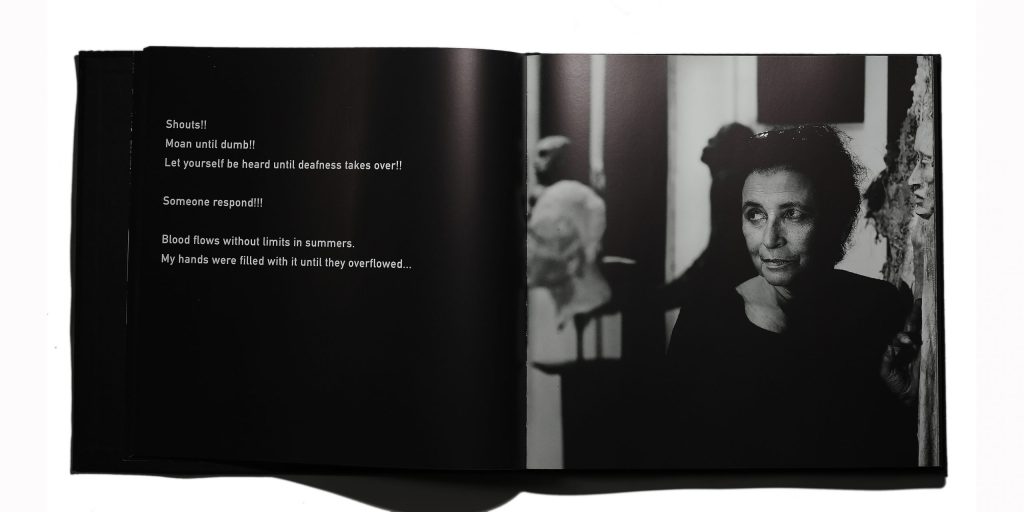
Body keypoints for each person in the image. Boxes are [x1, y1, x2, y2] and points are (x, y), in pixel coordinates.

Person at [658, 125, 918, 469]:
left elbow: (898, 456)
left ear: (836, 219)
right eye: (755, 214)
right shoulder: (706, 321)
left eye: (793, 214)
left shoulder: (879, 309)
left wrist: (906, 398)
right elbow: (676, 457)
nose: (769, 239)